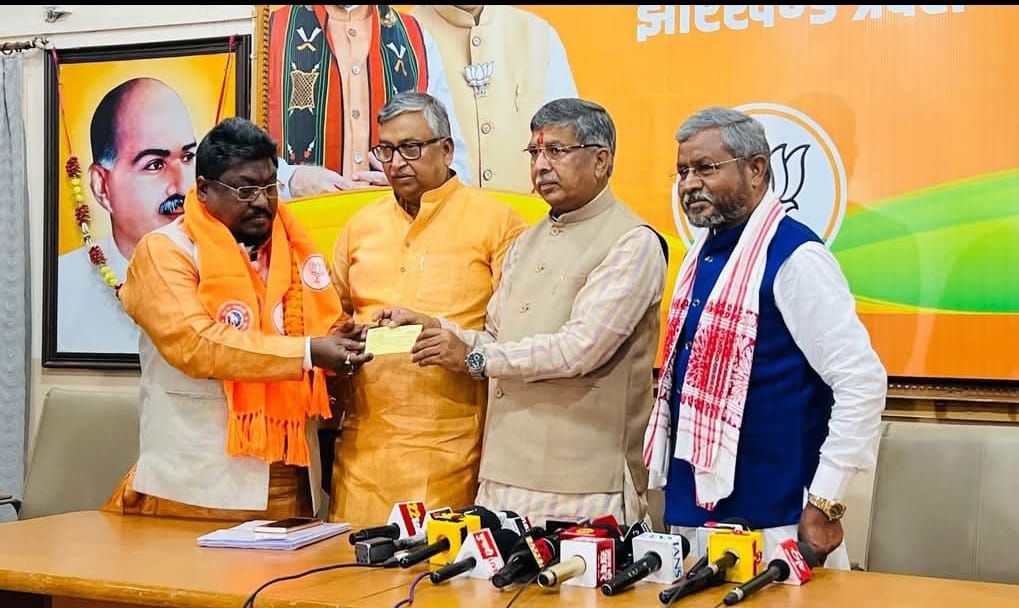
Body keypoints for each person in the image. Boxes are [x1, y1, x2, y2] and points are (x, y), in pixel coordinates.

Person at [376, 98, 667, 525]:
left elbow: (578, 350)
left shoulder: (632, 242)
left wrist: (473, 357)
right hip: (501, 478)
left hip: (584, 487)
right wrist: (437, 330)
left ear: (601, 160)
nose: (542, 166)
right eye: (535, 153)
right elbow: (497, 340)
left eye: (557, 151)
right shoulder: (526, 242)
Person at [642, 107, 887, 567]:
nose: (689, 184)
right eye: (682, 172)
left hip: (777, 524)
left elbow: (862, 381)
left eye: (706, 168)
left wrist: (826, 501)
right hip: (696, 515)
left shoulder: (796, 256)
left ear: (756, 169)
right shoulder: (702, 256)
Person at [101, 117, 372, 520]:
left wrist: (348, 336)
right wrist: (309, 352)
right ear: (204, 189)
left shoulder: (294, 250)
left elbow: (319, 325)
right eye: (245, 189)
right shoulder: (165, 252)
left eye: (269, 187)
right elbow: (196, 344)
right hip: (200, 482)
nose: (261, 201)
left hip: (293, 472)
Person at [328, 92, 526, 524]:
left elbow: (518, 339)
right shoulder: (361, 226)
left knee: (437, 561)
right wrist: (341, 337)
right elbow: (330, 317)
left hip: (452, 445)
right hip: (364, 448)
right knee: (347, 562)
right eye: (386, 150)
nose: (397, 163)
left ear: (447, 149)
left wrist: (453, 341)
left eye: (411, 148)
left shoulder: (497, 222)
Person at [268, 4, 471, 198]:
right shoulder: (269, 34)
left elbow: (454, 163)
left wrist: (415, 180)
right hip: (300, 219)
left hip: (398, 219)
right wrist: (290, 179)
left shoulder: (415, 36)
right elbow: (247, 155)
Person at [57, 77, 196, 353]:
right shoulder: (64, 284)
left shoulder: (222, 265)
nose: (182, 185)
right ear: (102, 186)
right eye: (155, 165)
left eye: (188, 158)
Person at [411, 5, 578, 192]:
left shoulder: (538, 35)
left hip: (531, 209)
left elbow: (568, 146)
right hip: (440, 209)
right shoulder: (407, 37)